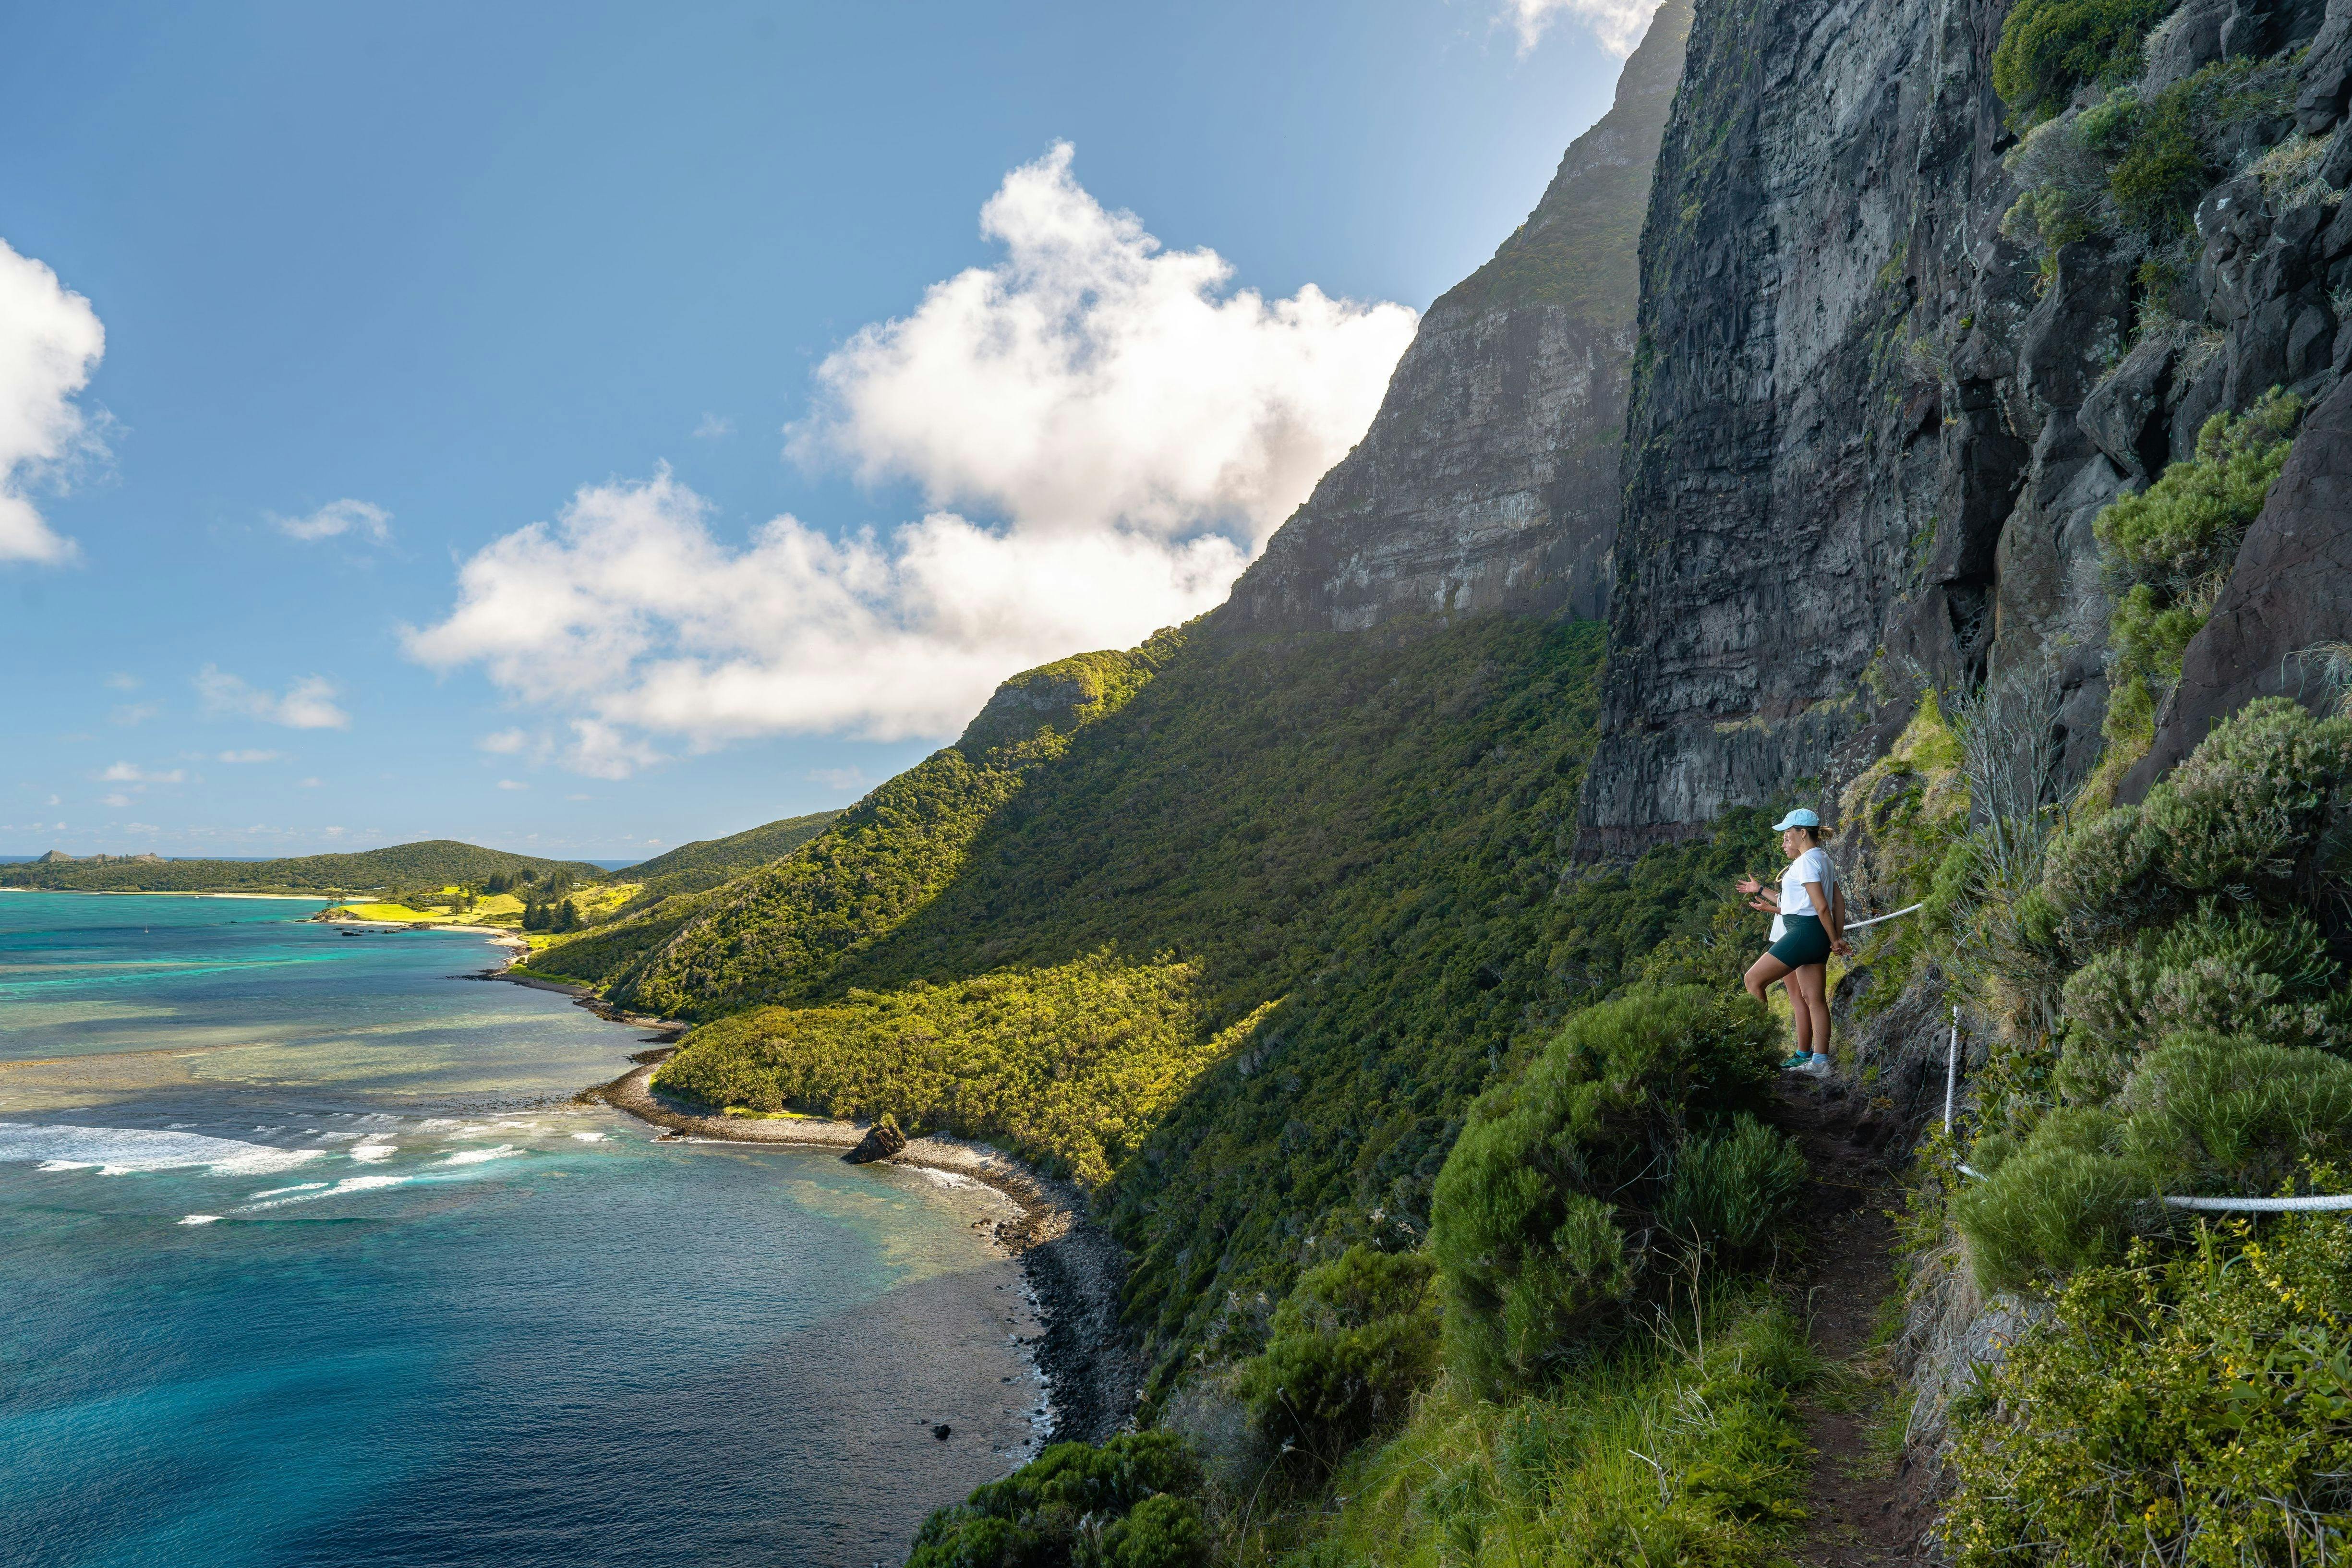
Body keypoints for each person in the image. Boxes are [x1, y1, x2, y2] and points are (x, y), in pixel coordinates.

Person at [1735, 808, 1850, 1078]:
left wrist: (1835, 939)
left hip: (1804, 931)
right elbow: (1838, 902)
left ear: (1802, 833)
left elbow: (1823, 907)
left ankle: (1758, 1049)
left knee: (1753, 980)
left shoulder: (1806, 862)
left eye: (1789, 832)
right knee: (1814, 999)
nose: (1786, 836)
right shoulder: (1823, 859)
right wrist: (1836, 937)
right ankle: (1820, 1063)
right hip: (1816, 934)